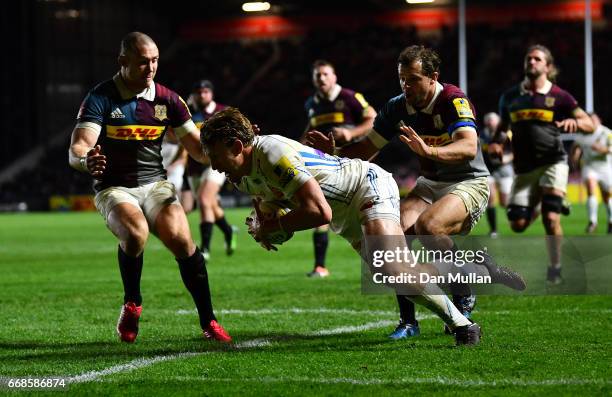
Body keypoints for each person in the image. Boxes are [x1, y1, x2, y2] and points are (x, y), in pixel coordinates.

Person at [200, 108, 526, 346]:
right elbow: (276, 211)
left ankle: (463, 326)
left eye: (215, 155)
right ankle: (471, 271)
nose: (213, 165)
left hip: (365, 186)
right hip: (348, 214)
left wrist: (277, 225)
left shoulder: (271, 152)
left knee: (394, 267)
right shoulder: (242, 179)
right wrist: (268, 229)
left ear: (235, 146)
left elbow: (317, 211)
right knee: (390, 273)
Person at [307, 45, 492, 339]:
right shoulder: (397, 106)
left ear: (433, 77)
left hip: (469, 181)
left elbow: (469, 147)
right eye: (402, 79)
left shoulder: (453, 100)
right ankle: (408, 322)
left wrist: (428, 150)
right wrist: (335, 153)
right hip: (429, 184)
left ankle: (462, 289)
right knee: (393, 238)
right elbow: (367, 149)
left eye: (414, 79)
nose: (406, 85)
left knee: (429, 226)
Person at [68, 32, 231, 343]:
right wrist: (86, 160)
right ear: (123, 62)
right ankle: (132, 304)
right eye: (143, 62)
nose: (151, 67)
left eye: (155, 60)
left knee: (183, 242)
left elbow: (197, 149)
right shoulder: (100, 97)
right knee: (135, 233)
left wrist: (230, 150)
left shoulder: (168, 99)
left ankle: (209, 321)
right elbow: (78, 146)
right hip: (114, 188)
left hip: (156, 184)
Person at [490, 44, 594, 284]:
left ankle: (555, 268)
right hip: (524, 168)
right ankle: (545, 203)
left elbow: (589, 124)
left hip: (553, 161)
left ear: (548, 66)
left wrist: (575, 123)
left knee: (551, 219)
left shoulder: (560, 96)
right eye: (529, 59)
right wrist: (497, 143)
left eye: (537, 59)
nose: (532, 62)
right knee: (517, 224)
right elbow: (502, 129)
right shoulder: (510, 97)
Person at [300, 60, 377, 278]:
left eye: (325, 74)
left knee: (363, 214)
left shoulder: (350, 97)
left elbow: (373, 119)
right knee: (321, 211)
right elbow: (310, 130)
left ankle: (386, 260)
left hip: (353, 164)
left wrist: (351, 135)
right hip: (325, 164)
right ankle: (320, 266)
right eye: (317, 75)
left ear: (334, 77)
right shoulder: (311, 104)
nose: (321, 79)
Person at [187, 80, 237, 260]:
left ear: (212, 93)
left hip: (217, 164)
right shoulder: (189, 113)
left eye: (206, 91)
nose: (202, 95)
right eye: (199, 92)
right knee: (209, 204)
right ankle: (229, 230)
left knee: (203, 199)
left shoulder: (223, 112)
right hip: (194, 166)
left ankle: (205, 249)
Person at [570, 113, 612, 234]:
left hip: (605, 168)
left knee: (607, 197)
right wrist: (575, 157)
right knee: (591, 188)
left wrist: (603, 150)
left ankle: (610, 221)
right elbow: (575, 146)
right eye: (590, 120)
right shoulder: (582, 134)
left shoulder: (607, 133)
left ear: (599, 120)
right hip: (589, 166)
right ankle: (592, 222)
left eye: (594, 119)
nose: (592, 122)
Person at [480, 112, 514, 237]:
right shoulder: (482, 135)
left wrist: (506, 159)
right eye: (488, 120)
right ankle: (493, 230)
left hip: (504, 170)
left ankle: (515, 220)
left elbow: (515, 151)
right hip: (488, 170)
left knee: (504, 202)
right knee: (490, 198)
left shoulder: (506, 134)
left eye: (492, 120)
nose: (490, 122)